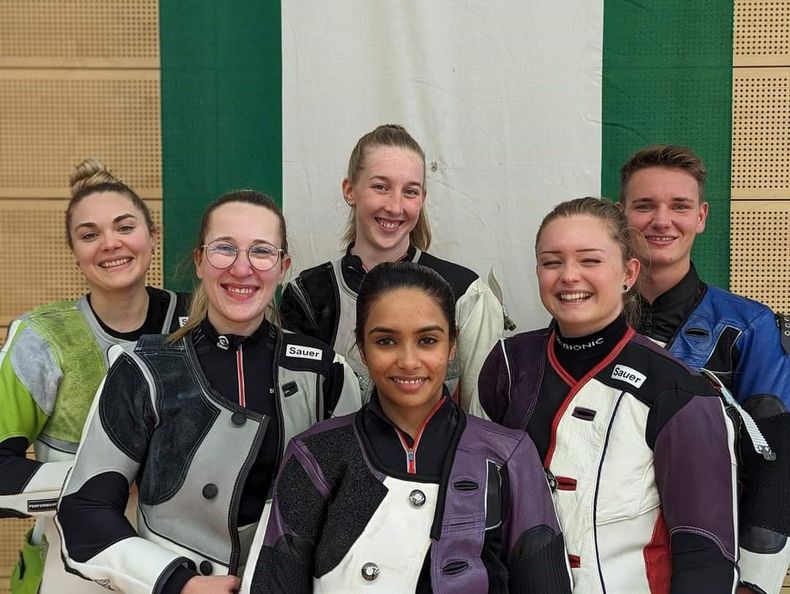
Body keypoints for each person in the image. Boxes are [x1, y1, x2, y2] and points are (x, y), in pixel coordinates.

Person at [56, 190, 363, 594]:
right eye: (224, 249)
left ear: (283, 266)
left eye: (261, 252)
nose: (242, 268)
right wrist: (176, 582)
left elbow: (355, 512)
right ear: (200, 262)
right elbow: (84, 512)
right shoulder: (142, 368)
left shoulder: (326, 373)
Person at [245, 261, 572, 593]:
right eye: (386, 341)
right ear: (362, 347)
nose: (409, 361)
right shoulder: (313, 454)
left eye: (427, 340)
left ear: (452, 344)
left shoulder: (508, 455)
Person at [478, 197, 739, 591]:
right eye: (552, 262)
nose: (569, 276)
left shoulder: (679, 390)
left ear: (628, 273)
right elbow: (477, 515)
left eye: (590, 260)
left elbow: (706, 553)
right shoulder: (508, 365)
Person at [0, 159, 189, 594]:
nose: (110, 244)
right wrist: (103, 483)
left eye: (125, 227)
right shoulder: (44, 336)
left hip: (182, 566)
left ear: (151, 236)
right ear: (74, 250)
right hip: (69, 570)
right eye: (90, 235)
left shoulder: (197, 323)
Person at [620, 145, 790, 593]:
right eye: (644, 206)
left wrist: (755, 585)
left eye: (679, 206)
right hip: (607, 566)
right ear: (621, 215)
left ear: (701, 216)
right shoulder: (586, 322)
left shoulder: (750, 329)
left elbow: (777, 466)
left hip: (714, 569)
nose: (661, 221)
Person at [280, 124, 505, 412]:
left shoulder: (466, 294)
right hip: (334, 456)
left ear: (422, 199)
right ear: (350, 190)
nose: (395, 207)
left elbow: (483, 424)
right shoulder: (307, 295)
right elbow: (296, 414)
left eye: (409, 192)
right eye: (380, 187)